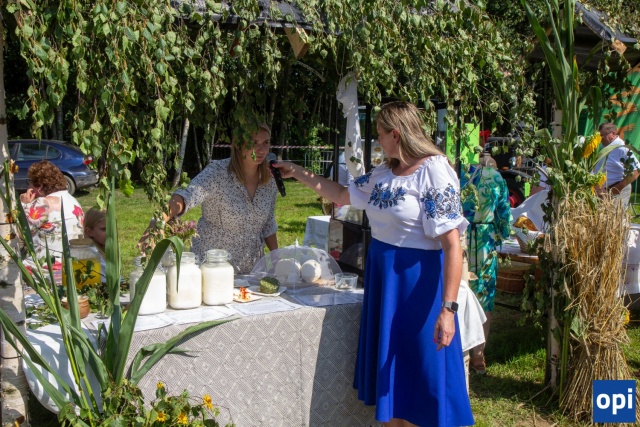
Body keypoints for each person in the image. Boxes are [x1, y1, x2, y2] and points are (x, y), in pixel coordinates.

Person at [272, 101, 474, 427]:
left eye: (380, 134)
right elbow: (341, 194)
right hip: (385, 284)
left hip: (419, 287)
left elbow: (452, 245)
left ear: (396, 134)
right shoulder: (383, 173)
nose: (377, 140)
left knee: (421, 378)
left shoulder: (434, 171)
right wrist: (296, 171)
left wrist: (448, 309)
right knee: (392, 384)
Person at [137, 123, 278, 274]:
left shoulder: (270, 180)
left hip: (250, 271)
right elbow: (186, 195)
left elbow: (268, 224)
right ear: (238, 144)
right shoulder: (217, 172)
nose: (261, 149)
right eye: (254, 142)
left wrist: (277, 261)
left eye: (266, 143)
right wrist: (158, 222)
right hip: (211, 268)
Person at [461, 155, 512, 374]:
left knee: (459, 292)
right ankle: (478, 356)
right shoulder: (497, 178)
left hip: (461, 238)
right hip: (485, 241)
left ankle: (460, 351)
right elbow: (504, 215)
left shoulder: (462, 175)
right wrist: (501, 234)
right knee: (484, 297)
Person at [20, 160, 85, 262]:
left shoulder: (43, 203)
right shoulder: (73, 201)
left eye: (30, 183)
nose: (29, 187)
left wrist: (23, 204)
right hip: (71, 263)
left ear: (40, 186)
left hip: (44, 266)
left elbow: (19, 231)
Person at [593, 122, 640, 207]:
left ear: (613, 134)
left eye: (603, 135)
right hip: (601, 191)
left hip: (617, 190)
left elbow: (636, 170)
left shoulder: (622, 148)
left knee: (615, 215)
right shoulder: (604, 146)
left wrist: (616, 189)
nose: (600, 138)